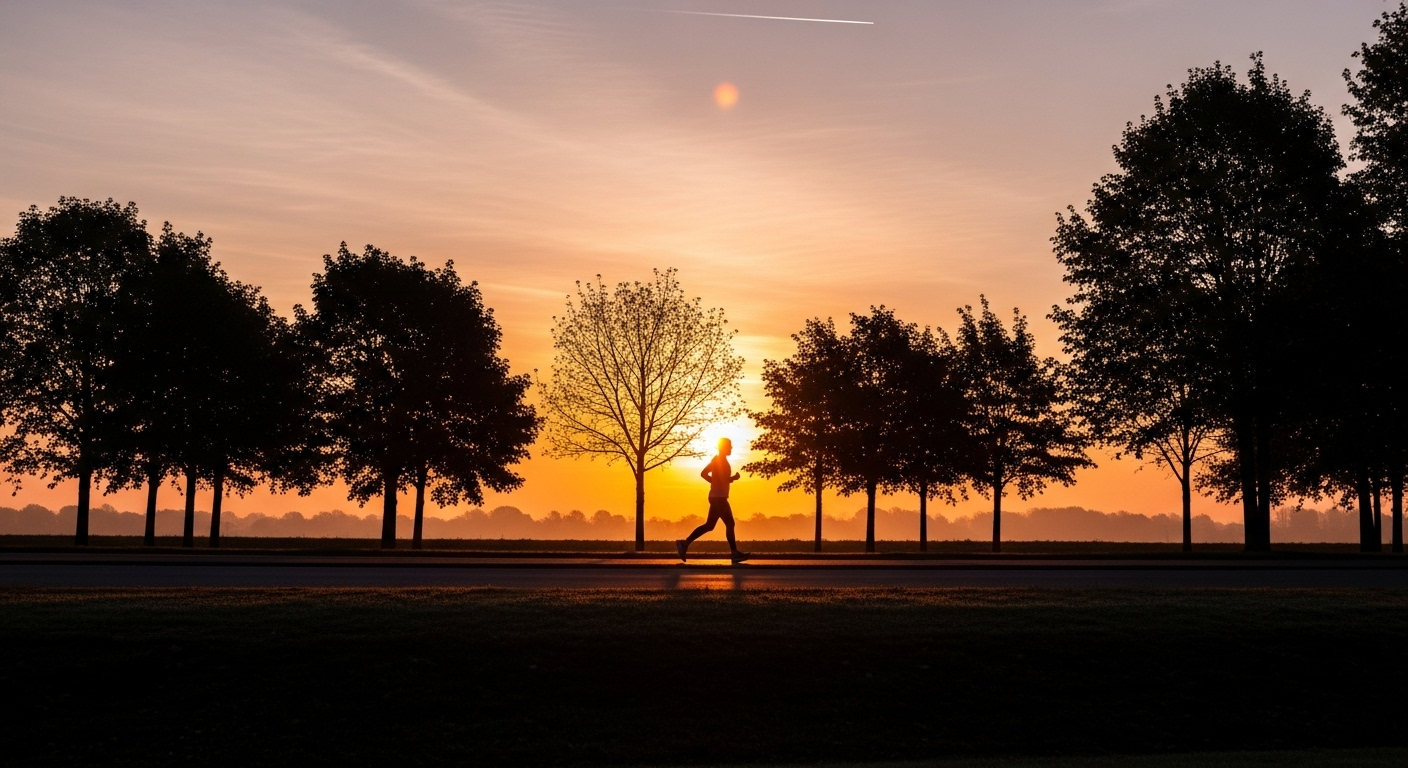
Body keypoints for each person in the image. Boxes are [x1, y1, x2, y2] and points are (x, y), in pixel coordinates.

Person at [677, 437, 748, 563]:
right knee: (730, 524)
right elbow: (715, 477)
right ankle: (734, 553)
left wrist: (718, 482)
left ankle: (684, 543)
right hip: (719, 498)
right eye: (729, 446)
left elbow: (707, 474)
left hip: (716, 496)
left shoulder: (718, 460)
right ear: (723, 447)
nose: (731, 448)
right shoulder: (719, 461)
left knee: (709, 526)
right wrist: (730, 479)